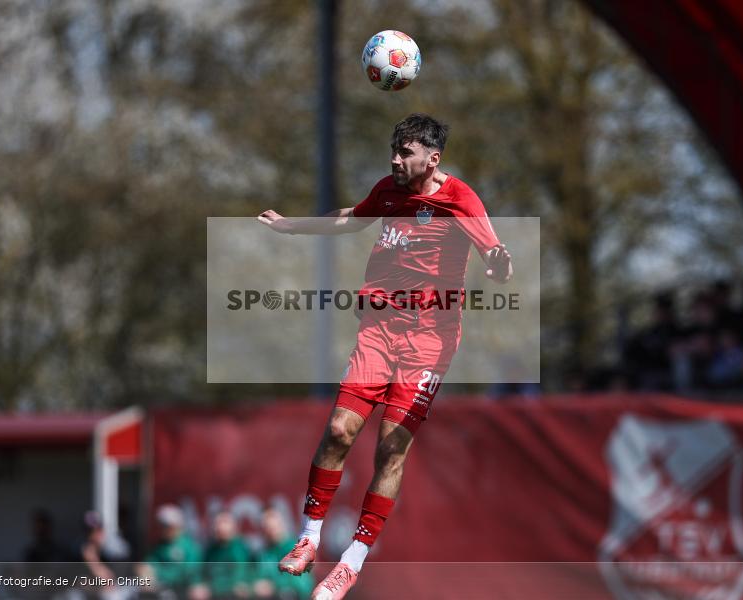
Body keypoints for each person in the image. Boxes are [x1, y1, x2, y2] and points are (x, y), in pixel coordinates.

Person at [258, 113, 512, 599]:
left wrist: (500, 266)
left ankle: (351, 562)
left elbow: (497, 263)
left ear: (432, 159)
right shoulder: (388, 190)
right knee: (338, 431)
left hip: (430, 342)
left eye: (406, 153)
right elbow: (349, 220)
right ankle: (309, 539)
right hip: (379, 329)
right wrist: (291, 226)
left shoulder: (461, 200)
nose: (395, 160)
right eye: (393, 151)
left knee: (391, 447)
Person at [139, 504, 209, 600]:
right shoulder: (160, 545)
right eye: (161, 525)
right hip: (163, 588)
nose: (163, 529)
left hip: (184, 590)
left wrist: (159, 574)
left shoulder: (189, 547)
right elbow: (150, 563)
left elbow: (188, 573)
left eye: (166, 525)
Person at [250, 507, 313, 600]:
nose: (271, 531)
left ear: (282, 525)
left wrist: (273, 586)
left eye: (274, 527)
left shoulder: (297, 549)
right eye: (267, 528)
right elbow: (256, 578)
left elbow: (301, 584)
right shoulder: (262, 554)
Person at [204, 509, 252, 599]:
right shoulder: (210, 551)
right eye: (217, 523)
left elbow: (241, 578)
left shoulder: (241, 549)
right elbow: (204, 576)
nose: (221, 526)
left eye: (225, 522)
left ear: (234, 526)